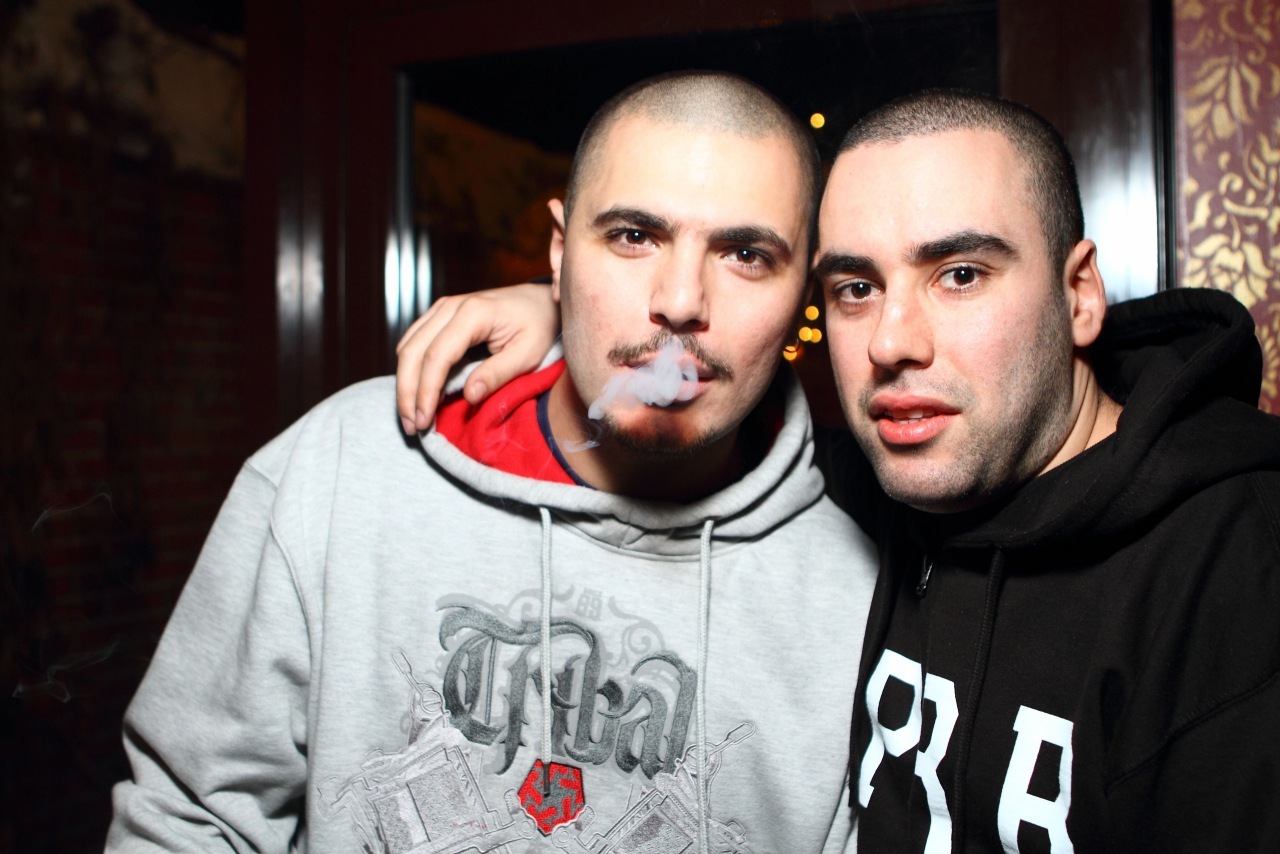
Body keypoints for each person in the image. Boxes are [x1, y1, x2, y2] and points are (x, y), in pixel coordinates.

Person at [396, 89, 1280, 853]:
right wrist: (561, 311)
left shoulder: (1233, 572)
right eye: (856, 288)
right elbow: (686, 390)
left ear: (1079, 294)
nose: (893, 342)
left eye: (960, 274)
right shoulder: (853, 494)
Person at [106, 71, 878, 853]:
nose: (680, 300)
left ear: (801, 293)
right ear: (559, 251)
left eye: (746, 254)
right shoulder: (343, 471)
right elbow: (187, 819)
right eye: (633, 236)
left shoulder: (856, 596)